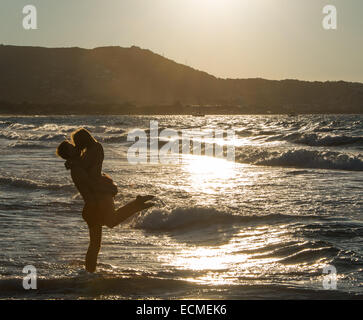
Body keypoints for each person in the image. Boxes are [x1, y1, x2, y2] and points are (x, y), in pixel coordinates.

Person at [56, 139, 154, 273]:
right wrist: (109, 188)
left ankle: (89, 273)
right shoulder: (77, 168)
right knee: (98, 240)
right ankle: (89, 274)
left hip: (94, 205)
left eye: (72, 145)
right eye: (71, 148)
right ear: (68, 154)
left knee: (98, 241)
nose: (75, 147)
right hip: (92, 207)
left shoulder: (79, 164)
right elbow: (91, 184)